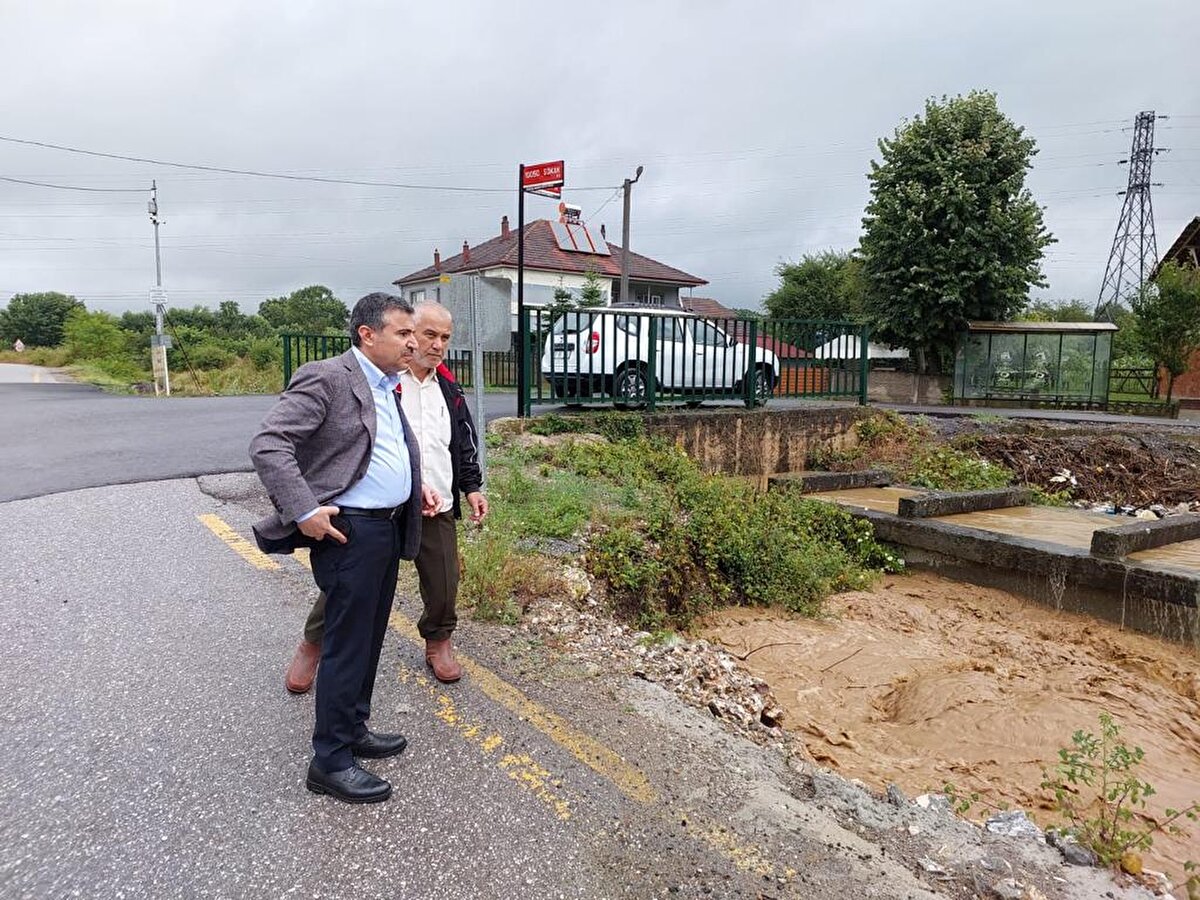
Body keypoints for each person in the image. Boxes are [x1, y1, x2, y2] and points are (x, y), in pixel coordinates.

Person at [250, 292, 439, 804]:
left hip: (387, 526)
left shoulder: (387, 383)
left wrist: (411, 483)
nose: (413, 342)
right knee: (347, 644)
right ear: (367, 334)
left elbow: (383, 447)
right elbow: (270, 444)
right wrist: (305, 511)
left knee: (370, 637)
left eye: (413, 333)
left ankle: (353, 729)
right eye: (403, 333)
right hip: (348, 531)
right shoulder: (328, 376)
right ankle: (329, 760)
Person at [284, 300, 487, 692]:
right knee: (351, 587)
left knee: (445, 585)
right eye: (428, 334)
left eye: (444, 337)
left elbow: (461, 441)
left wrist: (472, 486)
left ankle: (438, 641)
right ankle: (313, 644)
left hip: (436, 502)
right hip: (378, 510)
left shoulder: (447, 384)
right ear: (408, 332)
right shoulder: (381, 381)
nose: (436, 345)